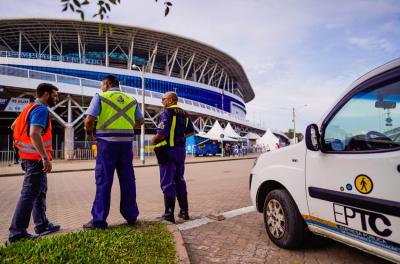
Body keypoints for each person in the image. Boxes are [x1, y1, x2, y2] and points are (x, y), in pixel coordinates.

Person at [83, 75, 144, 229]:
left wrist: (90, 135)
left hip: (106, 145)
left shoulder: (100, 97)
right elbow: (141, 120)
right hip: (126, 145)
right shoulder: (131, 99)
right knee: (128, 181)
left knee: (104, 181)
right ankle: (131, 216)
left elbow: (89, 120)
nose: (101, 88)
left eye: (102, 85)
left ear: (107, 84)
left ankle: (99, 220)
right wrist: (129, 129)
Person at [8, 83, 60, 243]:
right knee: (29, 194)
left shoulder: (29, 107)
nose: (57, 98)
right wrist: (44, 157)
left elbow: (13, 126)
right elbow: (34, 133)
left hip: (26, 157)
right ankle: (17, 233)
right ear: (45, 94)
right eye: (55, 95)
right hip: (35, 160)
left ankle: (42, 224)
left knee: (39, 190)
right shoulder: (41, 109)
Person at [151, 92, 195, 223]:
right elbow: (191, 132)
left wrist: (153, 140)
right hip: (180, 151)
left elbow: (162, 132)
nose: (162, 102)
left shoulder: (167, 112)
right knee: (179, 180)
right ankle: (184, 212)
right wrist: (179, 137)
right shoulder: (185, 113)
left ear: (170, 100)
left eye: (163, 99)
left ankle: (169, 214)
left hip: (167, 151)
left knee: (167, 181)